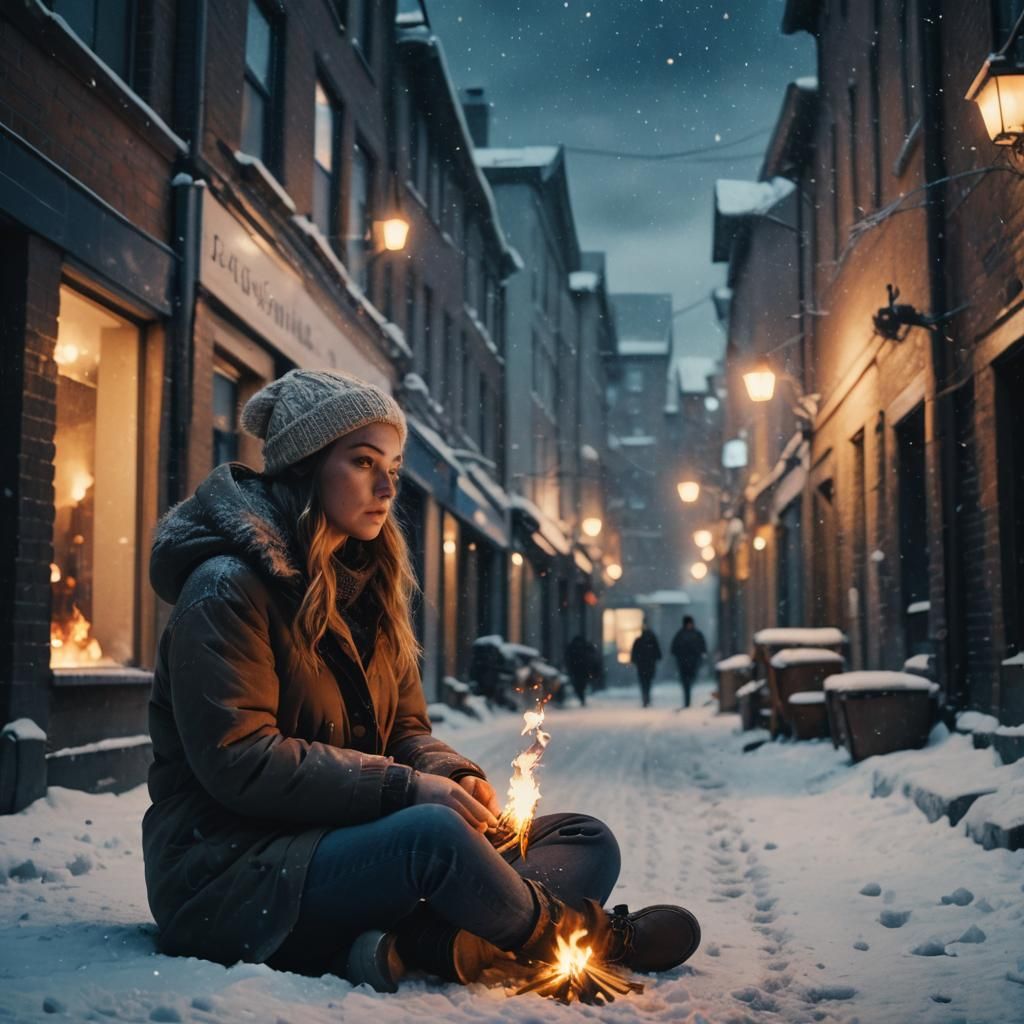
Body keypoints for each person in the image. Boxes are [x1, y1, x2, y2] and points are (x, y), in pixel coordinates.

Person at [142, 370, 700, 998]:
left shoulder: (369, 590)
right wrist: (404, 791)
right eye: (363, 462)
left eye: (394, 467)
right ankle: (582, 938)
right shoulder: (225, 588)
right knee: (433, 838)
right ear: (304, 467)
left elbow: (406, 730)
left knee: (582, 838)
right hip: (232, 875)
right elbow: (240, 761)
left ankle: (422, 943)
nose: (386, 487)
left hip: (345, 846)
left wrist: (450, 774)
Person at [670, 615, 708, 709]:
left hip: (692, 662)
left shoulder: (689, 634)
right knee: (686, 682)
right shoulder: (683, 634)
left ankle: (687, 699)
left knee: (689, 681)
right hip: (684, 663)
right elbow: (674, 649)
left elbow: (702, 647)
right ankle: (687, 700)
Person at [630, 620, 662, 708]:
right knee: (648, 682)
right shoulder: (652, 641)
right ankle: (646, 698)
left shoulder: (639, 641)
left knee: (644, 682)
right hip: (649, 665)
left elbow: (634, 653)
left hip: (642, 666)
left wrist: (635, 660)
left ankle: (645, 698)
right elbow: (658, 653)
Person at [564, 634, 599, 706]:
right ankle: (582, 698)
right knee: (581, 685)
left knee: (579, 685)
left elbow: (568, 658)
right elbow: (593, 655)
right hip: (582, 669)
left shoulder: (574, 647)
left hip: (577, 669)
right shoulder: (584, 646)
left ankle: (581, 697)